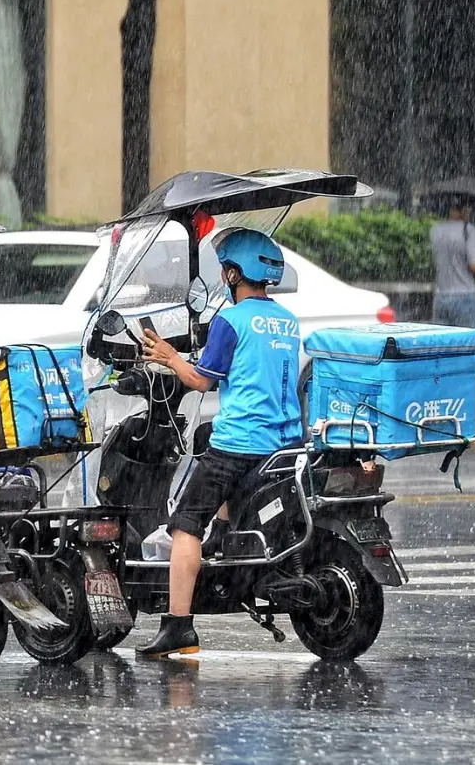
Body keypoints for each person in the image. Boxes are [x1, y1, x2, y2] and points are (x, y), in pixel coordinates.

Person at [134, 228, 302, 657]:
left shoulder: (231, 320)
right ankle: (223, 532)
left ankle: (178, 627)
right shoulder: (287, 319)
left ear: (230, 275)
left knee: (185, 522)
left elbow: (202, 379)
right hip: (283, 441)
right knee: (206, 435)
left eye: (225, 269)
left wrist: (169, 358)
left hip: (241, 444)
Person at [429, 198, 475, 329]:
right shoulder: (467, 230)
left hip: (441, 296)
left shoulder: (435, 230)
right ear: (463, 210)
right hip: (465, 296)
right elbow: (474, 266)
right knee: (469, 344)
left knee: (443, 343)